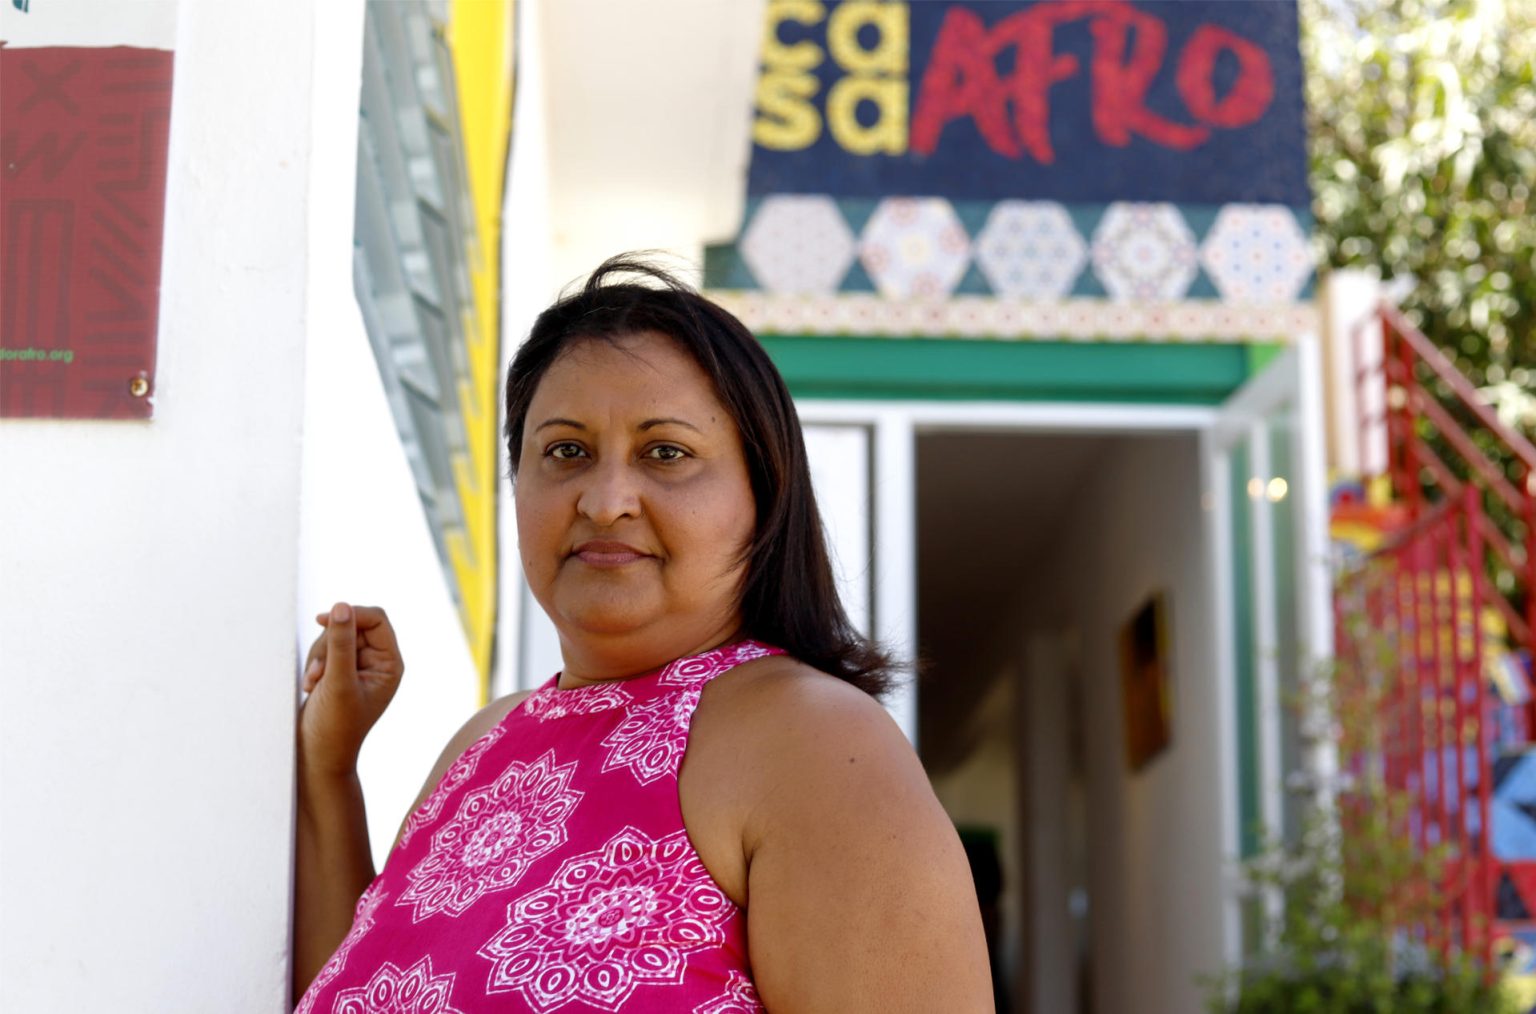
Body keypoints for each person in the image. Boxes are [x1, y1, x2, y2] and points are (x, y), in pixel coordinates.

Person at [293, 257, 994, 1012]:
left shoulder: (811, 742)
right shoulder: (482, 745)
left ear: (763, 493)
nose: (606, 499)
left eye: (667, 453)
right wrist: (330, 769)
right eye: (566, 451)